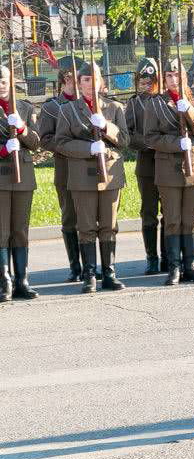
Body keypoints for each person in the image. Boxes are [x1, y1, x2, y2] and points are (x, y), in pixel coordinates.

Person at [54, 61, 129, 293]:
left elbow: (125, 141)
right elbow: (61, 143)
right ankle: (89, 274)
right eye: (86, 79)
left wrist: (107, 127)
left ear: (102, 82)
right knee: (86, 226)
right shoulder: (67, 110)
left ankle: (109, 272)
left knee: (109, 225)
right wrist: (88, 149)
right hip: (82, 176)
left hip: (110, 174)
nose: (90, 83)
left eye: (95, 78)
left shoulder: (114, 108)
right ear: (79, 83)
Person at [144, 57, 194, 286]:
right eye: (168, 76)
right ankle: (174, 267)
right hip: (168, 168)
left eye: (176, 76)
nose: (173, 80)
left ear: (184, 78)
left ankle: (190, 265)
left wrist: (189, 110)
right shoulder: (154, 103)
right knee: (172, 219)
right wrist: (174, 143)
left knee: (191, 219)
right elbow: (150, 137)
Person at [39, 58, 85, 282]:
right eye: (72, 78)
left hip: (88, 168)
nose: (76, 82)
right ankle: (75, 266)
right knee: (70, 217)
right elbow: (45, 139)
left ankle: (91, 265)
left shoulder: (88, 104)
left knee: (90, 218)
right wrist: (69, 145)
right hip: (66, 168)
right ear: (64, 79)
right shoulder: (51, 107)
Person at [0, 64, 40, 302]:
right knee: (1, 232)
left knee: (20, 231)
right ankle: (4, 281)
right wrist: (4, 149)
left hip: (23, 176)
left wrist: (22, 128)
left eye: (3, 81)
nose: (0, 85)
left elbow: (36, 142)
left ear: (11, 82)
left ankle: (22, 280)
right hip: (1, 178)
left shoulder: (25, 107)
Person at [126, 57, 166, 275]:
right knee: (149, 211)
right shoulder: (133, 104)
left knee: (169, 211)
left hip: (167, 162)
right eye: (142, 79)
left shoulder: (164, 100)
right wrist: (150, 142)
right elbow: (128, 136)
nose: (146, 83)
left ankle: (168, 256)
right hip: (146, 164)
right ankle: (152, 257)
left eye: (150, 79)